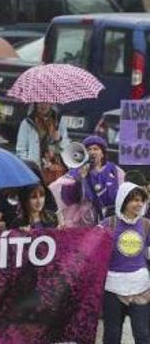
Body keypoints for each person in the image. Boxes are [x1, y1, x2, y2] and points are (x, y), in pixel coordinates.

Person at [100, 182, 150, 344]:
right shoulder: (108, 224)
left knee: (143, 334)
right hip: (112, 287)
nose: (139, 204)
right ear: (123, 200)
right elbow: (90, 247)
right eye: (135, 200)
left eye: (141, 200)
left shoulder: (146, 224)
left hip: (140, 286)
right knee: (112, 335)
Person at [60, 136, 124, 223]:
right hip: (82, 223)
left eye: (96, 149)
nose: (92, 152)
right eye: (89, 149)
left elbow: (122, 197)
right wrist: (79, 178)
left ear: (102, 154)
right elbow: (67, 198)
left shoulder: (115, 171)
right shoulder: (74, 173)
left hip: (108, 221)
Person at [16, 103, 68, 184]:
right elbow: (21, 150)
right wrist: (28, 169)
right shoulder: (27, 123)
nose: (43, 105)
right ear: (35, 104)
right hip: (35, 172)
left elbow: (65, 149)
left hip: (56, 172)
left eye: (46, 102)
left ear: (51, 103)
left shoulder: (59, 121)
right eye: (40, 102)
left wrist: (59, 140)